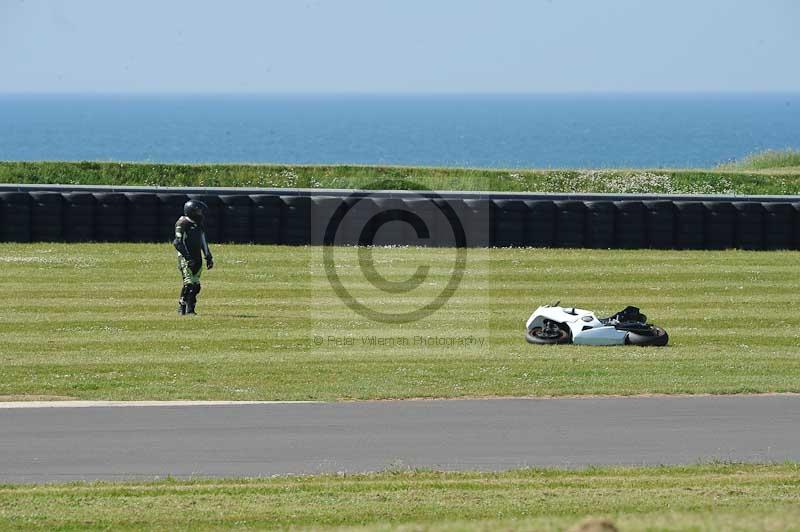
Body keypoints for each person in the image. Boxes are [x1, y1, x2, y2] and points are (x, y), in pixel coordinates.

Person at [173, 200, 214, 315]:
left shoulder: (199, 224)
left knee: (196, 286)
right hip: (186, 258)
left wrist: (208, 256)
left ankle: (191, 309)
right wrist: (187, 258)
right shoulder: (182, 223)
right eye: (198, 211)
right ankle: (182, 307)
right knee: (189, 284)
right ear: (191, 212)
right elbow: (177, 242)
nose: (201, 214)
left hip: (197, 257)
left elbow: (203, 241)